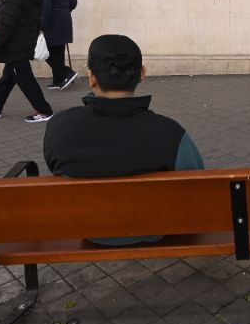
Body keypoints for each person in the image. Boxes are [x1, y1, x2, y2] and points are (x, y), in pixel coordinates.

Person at [43, 34, 204, 245]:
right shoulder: (170, 132)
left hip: (88, 228)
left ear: (91, 77)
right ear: (142, 74)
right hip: (153, 228)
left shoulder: (59, 127)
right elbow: (197, 187)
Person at [34, 0, 79, 90]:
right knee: (57, 52)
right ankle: (59, 80)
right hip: (64, 23)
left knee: (45, 52)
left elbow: (46, 7)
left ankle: (67, 73)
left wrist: (42, 25)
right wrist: (64, 11)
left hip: (52, 24)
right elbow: (74, 2)